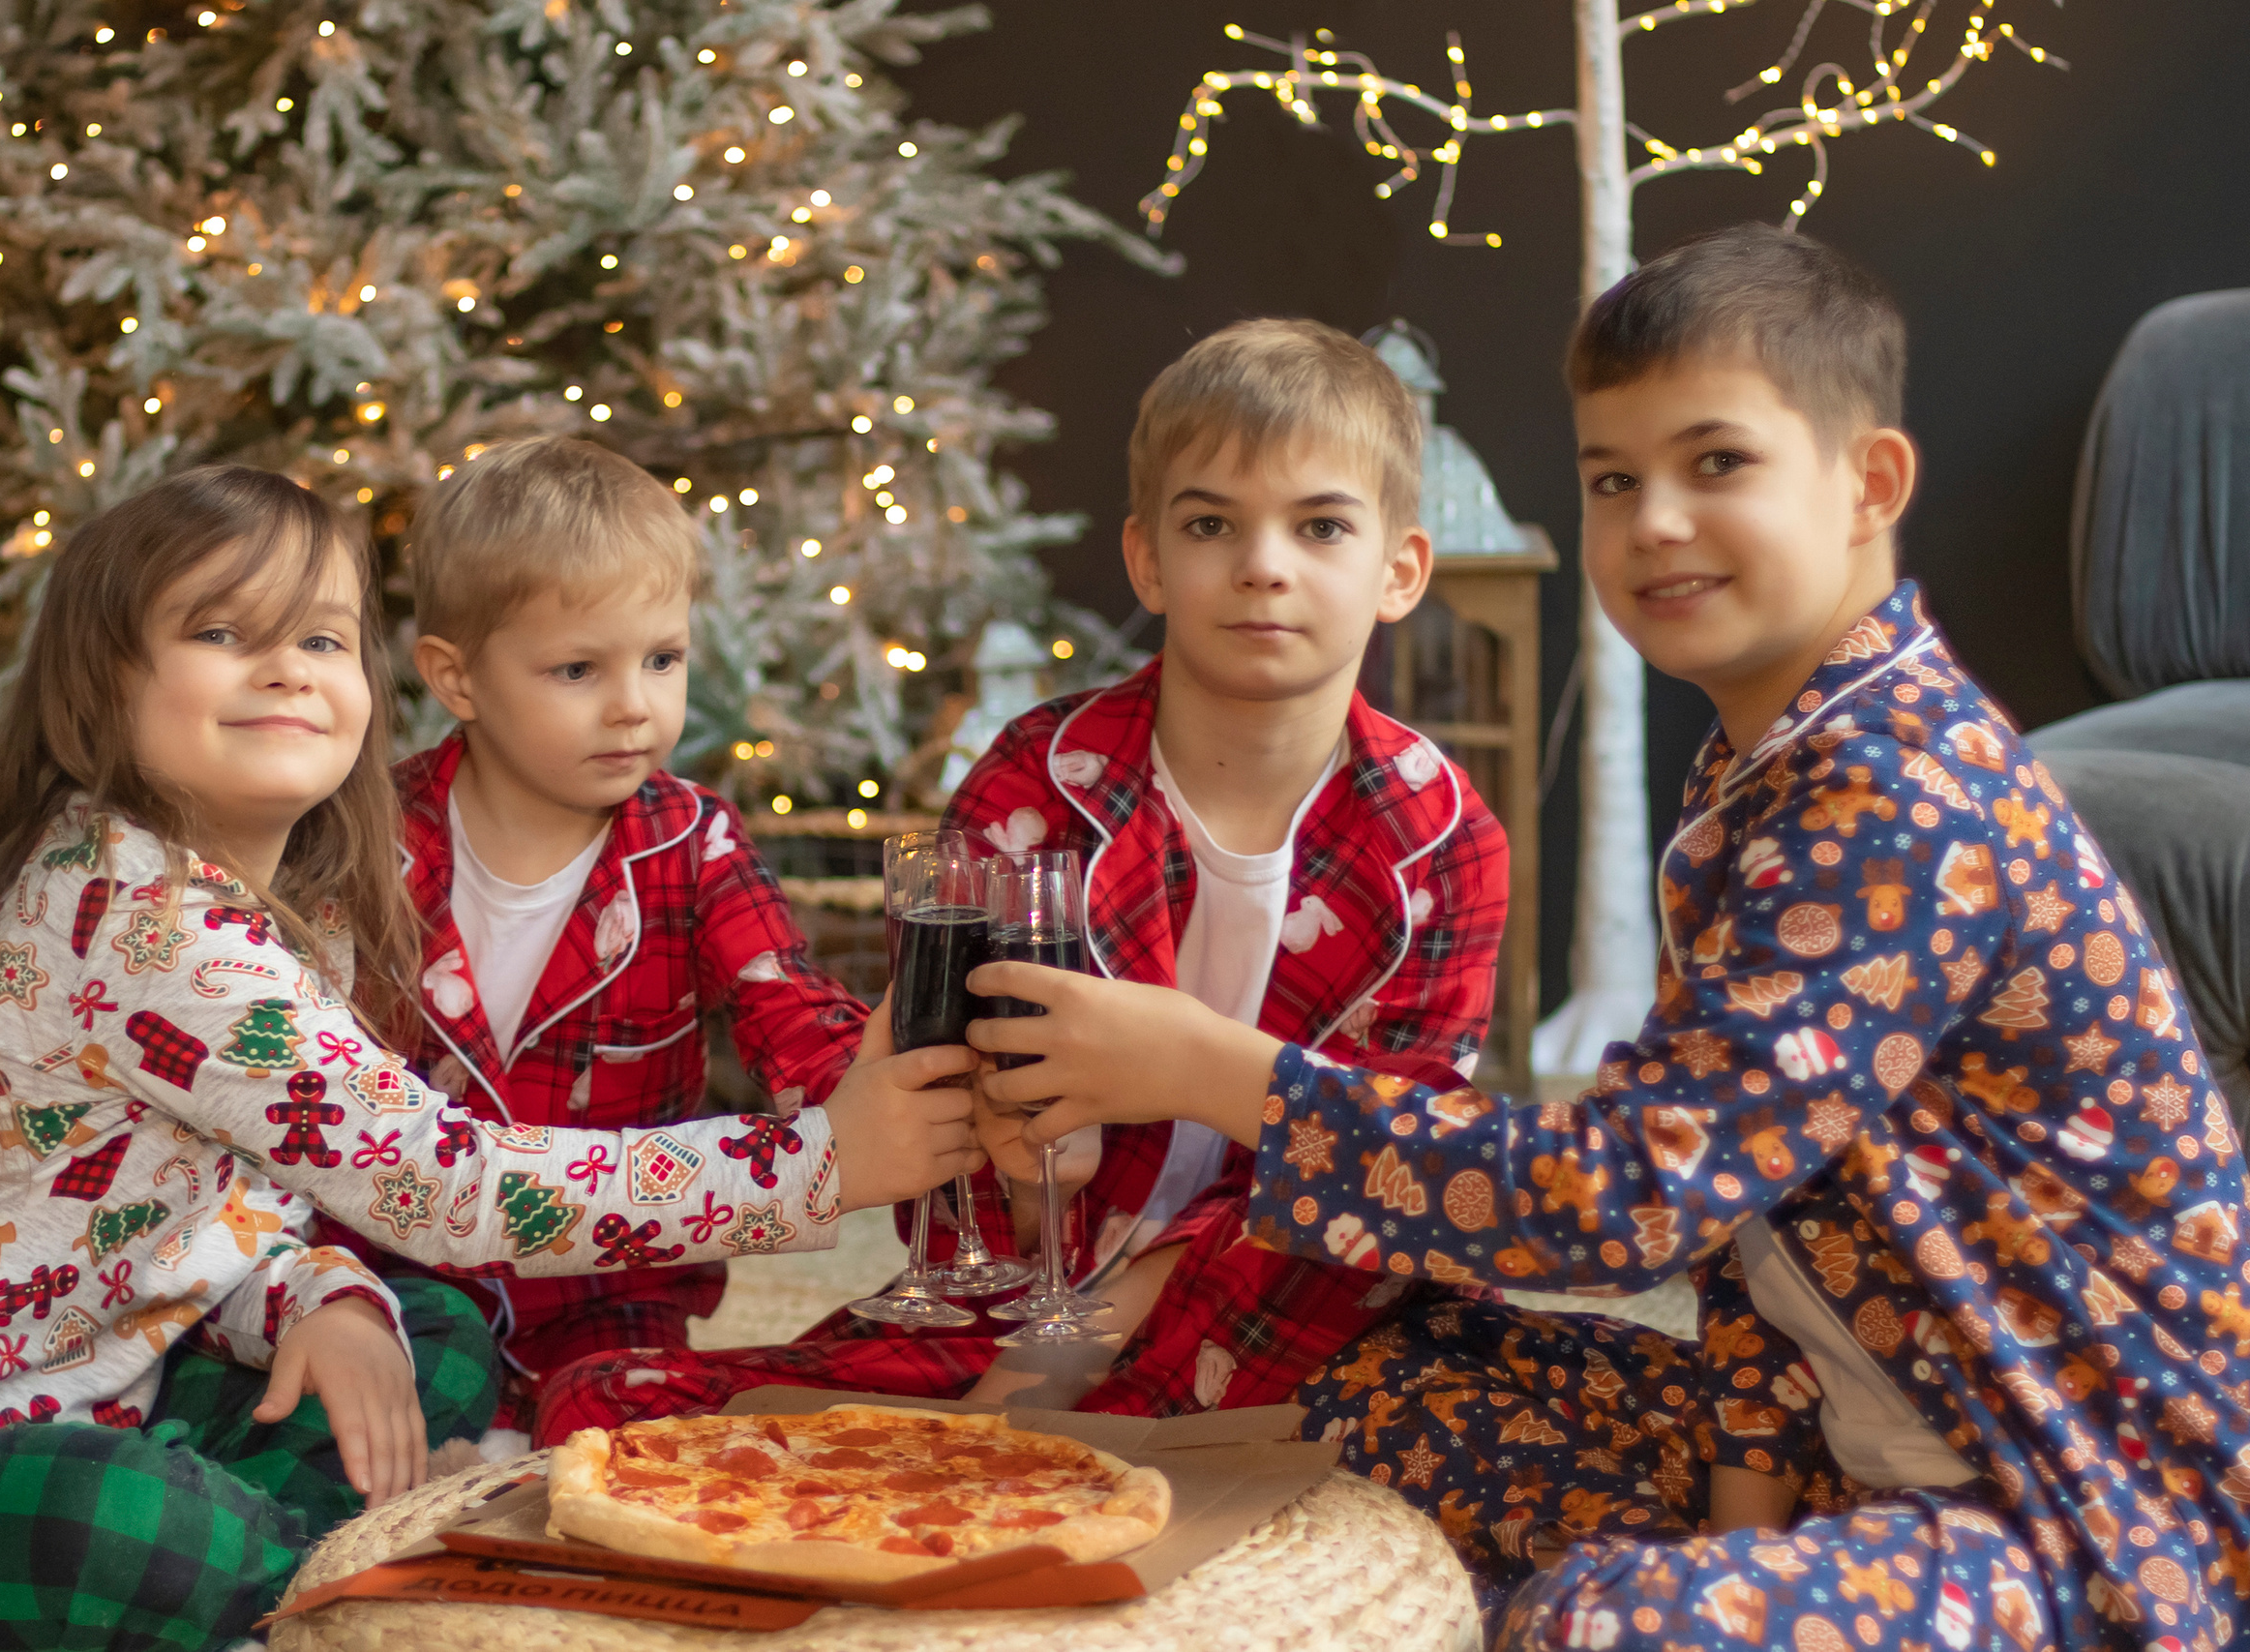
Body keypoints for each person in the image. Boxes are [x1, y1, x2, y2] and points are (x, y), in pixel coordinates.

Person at [962, 223, 2250, 1652]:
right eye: (1614, 479)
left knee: (1605, 1623)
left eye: (1718, 464)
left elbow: (1630, 1193)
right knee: (1354, 1378)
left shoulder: (1899, 799)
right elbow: (1766, 1220)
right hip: (1856, 1429)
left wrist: (1220, 1070)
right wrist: (1745, 1505)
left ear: (1868, 482)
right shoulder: (1759, 776)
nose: (1656, 523)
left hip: (2079, 1508)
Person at [0, 466, 978, 1652]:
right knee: (121, 1523)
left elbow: (190, 1216)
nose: (289, 667)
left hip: (82, 1384)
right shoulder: (138, 914)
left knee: (422, 1332)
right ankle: (298, 1564)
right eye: (221, 631)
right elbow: (446, 1184)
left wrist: (321, 1294)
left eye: (323, 639)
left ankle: (259, 1550)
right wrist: (816, 1164)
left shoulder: (294, 910)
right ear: (104, 685)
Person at [537, 317, 1509, 1438]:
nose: (1263, 565)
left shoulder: (1444, 842)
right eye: (1211, 524)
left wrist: (1056, 1366)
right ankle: (1086, 1431)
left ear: (1400, 571)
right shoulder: (1037, 780)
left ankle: (1095, 1430)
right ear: (1148, 559)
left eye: (1321, 526)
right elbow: (942, 1074)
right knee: (613, 1410)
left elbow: (1381, 1154)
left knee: (1387, 1220)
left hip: (1288, 1302)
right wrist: (1023, 1152)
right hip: (1028, 1285)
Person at [310, 436, 865, 1436]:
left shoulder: (694, 844)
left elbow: (791, 1012)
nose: (635, 707)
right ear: (457, 677)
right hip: (407, 1274)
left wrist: (882, 1084)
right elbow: (305, 1087)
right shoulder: (363, 849)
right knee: (372, 1408)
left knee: (619, 1428)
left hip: (611, 1290)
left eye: (663, 659)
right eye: (578, 669)